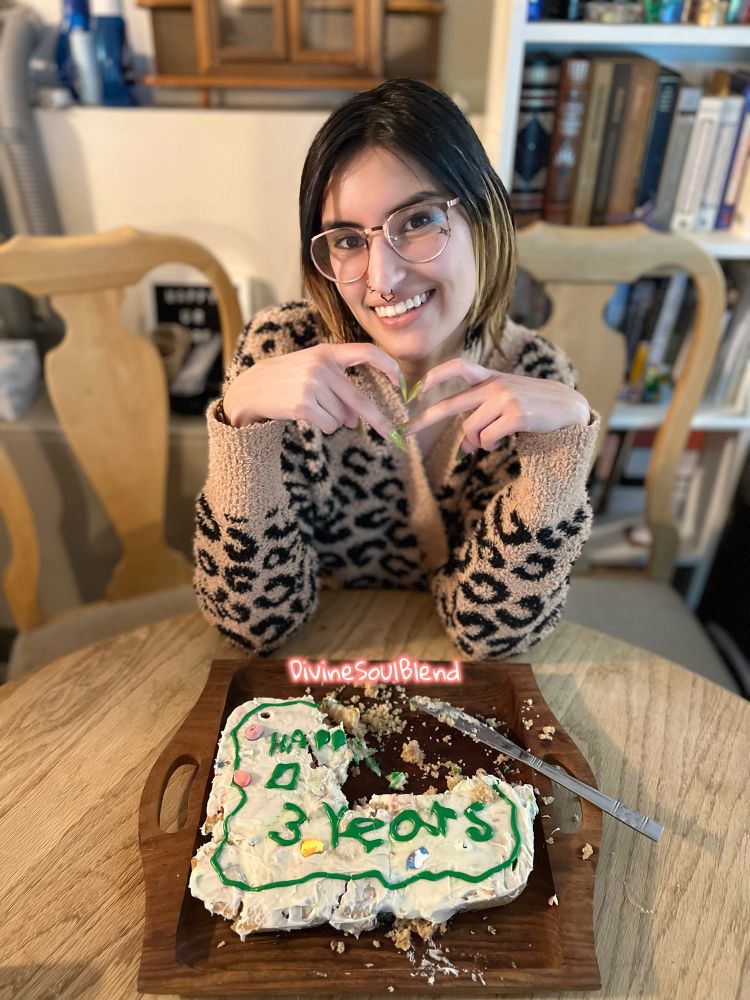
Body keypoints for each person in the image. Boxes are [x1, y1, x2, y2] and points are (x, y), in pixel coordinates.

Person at [194, 78, 599, 658]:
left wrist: (557, 462)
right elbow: (254, 625)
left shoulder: (535, 376)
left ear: (482, 217)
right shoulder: (280, 349)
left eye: (417, 221)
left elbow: (491, 635)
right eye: (347, 240)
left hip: (453, 687)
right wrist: (240, 432)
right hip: (317, 675)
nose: (381, 279)